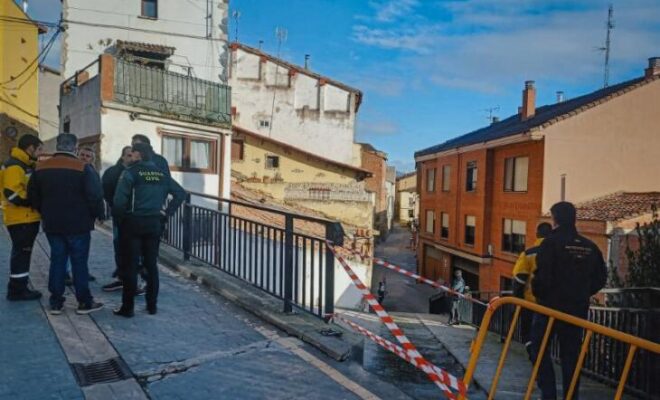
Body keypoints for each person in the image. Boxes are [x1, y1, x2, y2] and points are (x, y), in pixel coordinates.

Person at [530, 202, 607, 400]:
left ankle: (549, 394)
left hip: (549, 309)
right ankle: (571, 396)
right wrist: (582, 293)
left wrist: (541, 295)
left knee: (537, 348)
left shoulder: (550, 243)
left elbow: (542, 277)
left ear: (555, 219)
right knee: (571, 358)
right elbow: (601, 278)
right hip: (577, 310)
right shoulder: (590, 246)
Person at [27, 134, 105, 315]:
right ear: (75, 148)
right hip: (79, 224)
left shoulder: (41, 167)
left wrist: (44, 211)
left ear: (58, 145)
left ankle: (56, 303)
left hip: (52, 223)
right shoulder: (83, 167)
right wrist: (97, 215)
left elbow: (33, 196)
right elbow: (95, 196)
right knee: (79, 263)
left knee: (57, 261)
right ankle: (84, 302)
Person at [112, 143, 184, 317]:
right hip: (154, 223)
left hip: (133, 223)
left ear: (138, 154)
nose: (131, 156)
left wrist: (119, 221)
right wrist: (167, 213)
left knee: (131, 265)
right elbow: (180, 193)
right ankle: (152, 306)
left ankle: (127, 308)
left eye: (133, 153)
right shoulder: (162, 174)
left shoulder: (130, 173)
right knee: (151, 265)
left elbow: (119, 202)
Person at [1, 134, 43, 301]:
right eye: (39, 149)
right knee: (22, 254)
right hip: (22, 218)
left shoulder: (23, 164)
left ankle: (19, 287)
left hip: (23, 217)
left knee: (22, 254)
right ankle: (17, 290)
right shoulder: (15, 166)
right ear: (30, 148)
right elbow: (11, 193)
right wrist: (32, 201)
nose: (40, 153)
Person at [511, 222, 553, 355]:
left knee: (529, 336)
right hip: (552, 306)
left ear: (537, 234)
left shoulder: (528, 254)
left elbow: (519, 279)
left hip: (530, 304)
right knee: (546, 338)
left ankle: (534, 355)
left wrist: (517, 302)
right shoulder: (558, 253)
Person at [101, 146, 133, 292]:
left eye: (133, 155)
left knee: (133, 248)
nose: (131, 158)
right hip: (120, 216)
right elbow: (105, 190)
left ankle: (129, 277)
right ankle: (122, 276)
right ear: (123, 157)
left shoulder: (136, 171)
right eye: (128, 155)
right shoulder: (113, 172)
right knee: (119, 245)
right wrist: (114, 205)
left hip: (133, 216)